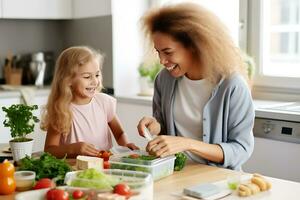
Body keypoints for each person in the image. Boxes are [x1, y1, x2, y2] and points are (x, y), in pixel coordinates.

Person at [137, 3, 254, 170]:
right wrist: (156, 126)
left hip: (216, 180)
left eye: (168, 52)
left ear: (194, 45)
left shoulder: (232, 86)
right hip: (175, 173)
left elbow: (241, 150)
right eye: (158, 52)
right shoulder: (164, 79)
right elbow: (164, 125)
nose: (162, 61)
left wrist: (187, 144)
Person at [42, 46, 139, 158]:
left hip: (105, 166)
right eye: (87, 77)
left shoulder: (104, 102)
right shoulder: (61, 110)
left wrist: (126, 145)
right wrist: (73, 148)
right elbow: (49, 150)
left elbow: (120, 133)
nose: (95, 81)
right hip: (75, 169)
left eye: (97, 75)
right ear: (68, 80)